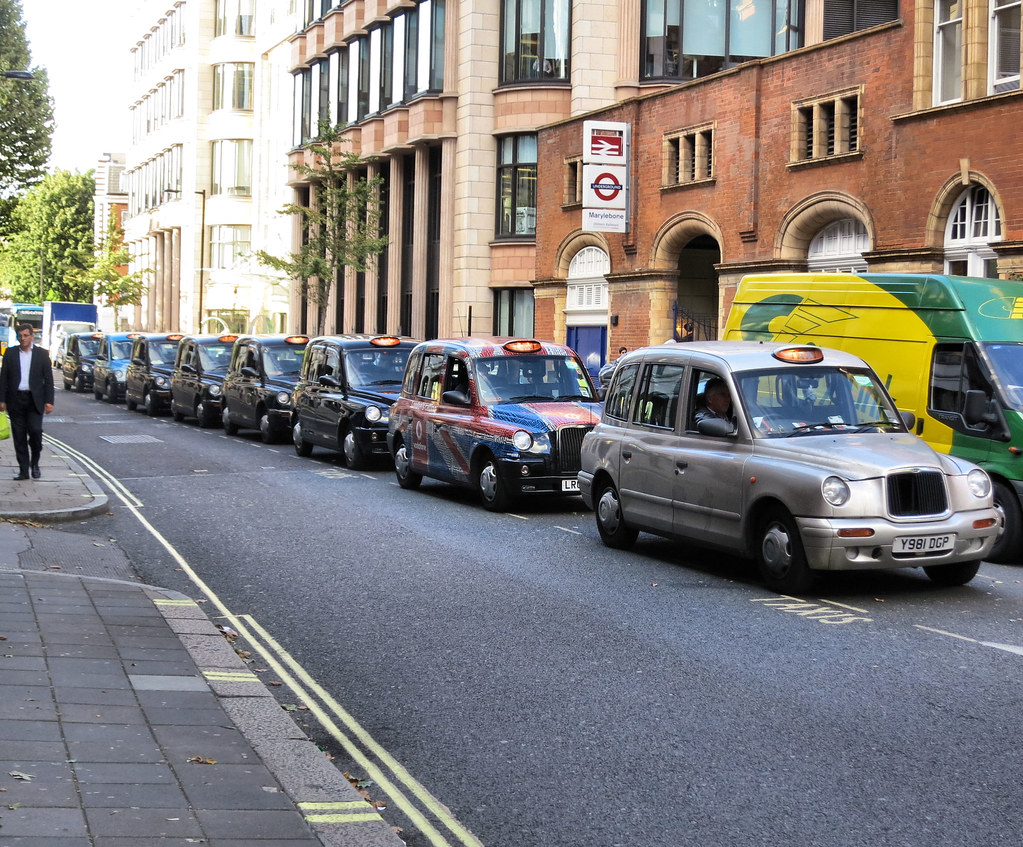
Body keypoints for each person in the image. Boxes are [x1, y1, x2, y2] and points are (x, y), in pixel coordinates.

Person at [0, 324, 55, 480]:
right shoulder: (10, 353)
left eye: (25, 335)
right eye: (20, 335)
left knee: (35, 431)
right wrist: (1, 399)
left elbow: (49, 380)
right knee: (19, 437)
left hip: (34, 400)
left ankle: (35, 463)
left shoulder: (42, 354)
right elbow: (3, 378)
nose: (22, 338)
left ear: (32, 336)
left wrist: (49, 401)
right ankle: (24, 470)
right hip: (15, 399)